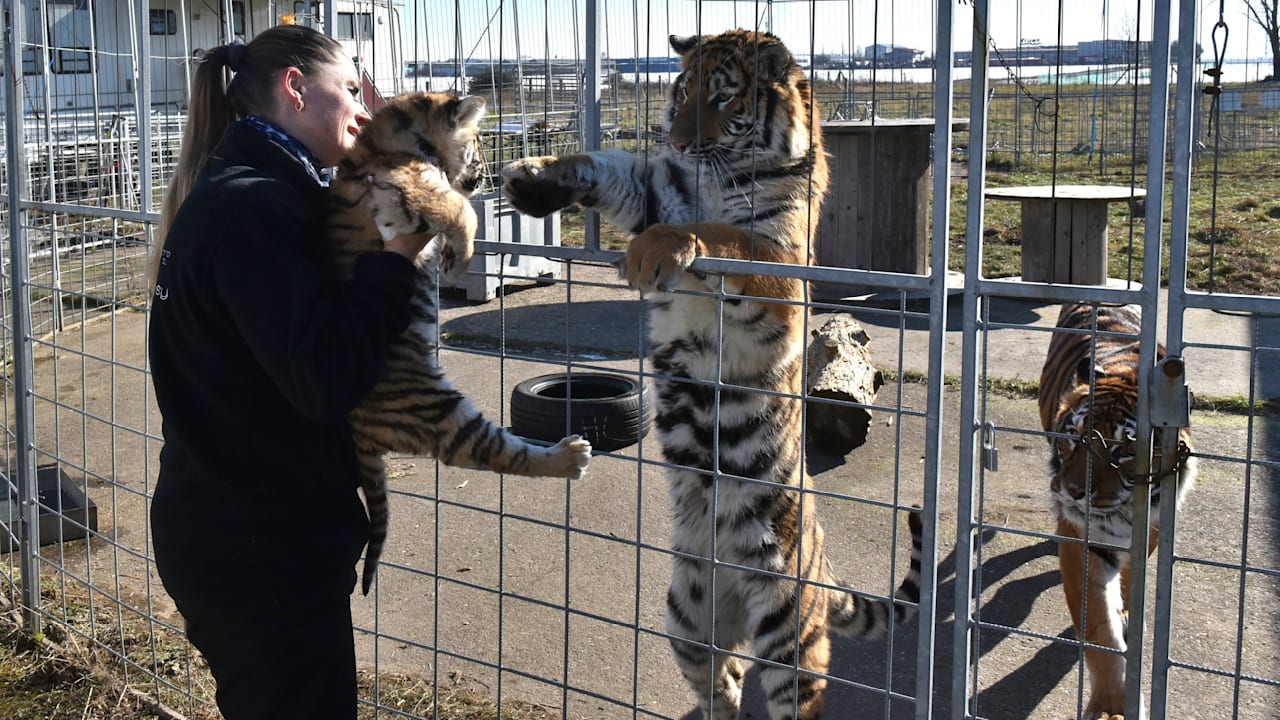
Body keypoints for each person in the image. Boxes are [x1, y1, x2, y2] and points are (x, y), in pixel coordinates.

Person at [147, 24, 426, 720]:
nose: (364, 110)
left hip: (238, 538)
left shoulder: (248, 192)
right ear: (297, 89)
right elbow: (325, 377)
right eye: (351, 91)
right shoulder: (255, 211)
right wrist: (396, 262)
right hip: (260, 562)